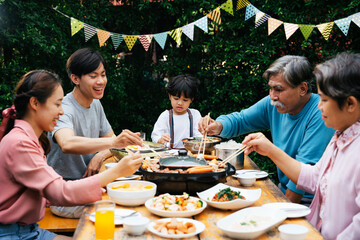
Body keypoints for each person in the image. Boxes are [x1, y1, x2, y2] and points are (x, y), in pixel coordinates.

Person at [0, 70, 142, 240]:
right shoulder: (20, 143)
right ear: (35, 103)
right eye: (57, 104)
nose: (61, 112)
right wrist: (116, 172)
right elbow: (59, 192)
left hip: (30, 230)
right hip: (13, 234)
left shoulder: (29, 138)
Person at [242, 52, 360, 239]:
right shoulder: (340, 138)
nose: (319, 106)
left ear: (350, 104)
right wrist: (271, 151)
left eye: (325, 100)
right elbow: (314, 178)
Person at [199, 56, 335, 204]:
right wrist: (218, 125)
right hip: (282, 192)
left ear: (302, 89)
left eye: (278, 89)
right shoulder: (274, 105)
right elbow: (241, 119)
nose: (272, 96)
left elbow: (301, 181)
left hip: (310, 202)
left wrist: (280, 212)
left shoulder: (321, 114)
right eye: (270, 88)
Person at [46, 48, 143, 218]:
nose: (101, 81)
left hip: (89, 186)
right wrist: (113, 144)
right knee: (125, 212)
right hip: (63, 194)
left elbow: (111, 138)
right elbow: (67, 144)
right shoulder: (64, 109)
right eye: (93, 76)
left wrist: (100, 155)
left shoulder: (95, 103)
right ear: (75, 78)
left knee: (137, 197)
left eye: (103, 74)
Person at [151, 74, 203, 149]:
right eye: (176, 98)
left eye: (185, 100)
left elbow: (199, 136)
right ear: (170, 96)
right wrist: (160, 140)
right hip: (169, 154)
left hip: (190, 154)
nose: (180, 103)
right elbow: (155, 136)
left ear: (191, 99)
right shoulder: (165, 116)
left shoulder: (194, 115)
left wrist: (199, 143)